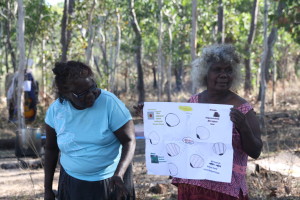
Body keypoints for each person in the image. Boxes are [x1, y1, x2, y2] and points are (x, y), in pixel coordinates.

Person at [134, 44, 263, 200]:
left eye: (228, 70)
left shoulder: (243, 109)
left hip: (225, 190)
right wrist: (151, 117)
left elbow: (256, 151)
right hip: (192, 185)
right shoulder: (193, 103)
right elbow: (177, 136)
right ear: (205, 73)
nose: (224, 75)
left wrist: (244, 127)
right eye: (217, 70)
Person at [44, 61, 136, 200]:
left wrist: (119, 173)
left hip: (112, 181)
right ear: (66, 93)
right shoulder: (56, 111)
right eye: (82, 93)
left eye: (93, 87)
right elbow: (51, 149)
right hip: (72, 184)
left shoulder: (110, 103)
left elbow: (129, 141)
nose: (91, 95)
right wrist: (47, 189)